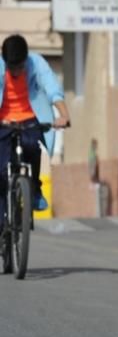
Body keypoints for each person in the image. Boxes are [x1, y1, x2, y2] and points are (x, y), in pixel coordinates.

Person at [0, 34, 71, 218]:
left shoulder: (36, 63)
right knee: (1, 168)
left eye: (20, 66)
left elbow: (52, 89)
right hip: (3, 121)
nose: (16, 71)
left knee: (33, 147)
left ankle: (34, 189)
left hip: (30, 118)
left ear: (26, 59)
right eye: (12, 67)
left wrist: (63, 114)